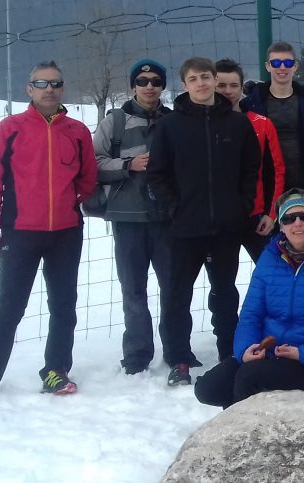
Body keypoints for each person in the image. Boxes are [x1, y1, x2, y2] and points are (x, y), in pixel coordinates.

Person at [147, 57, 261, 387]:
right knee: (177, 295)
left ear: (214, 80)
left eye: (206, 77)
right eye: (194, 78)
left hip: (226, 227)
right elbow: (157, 174)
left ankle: (229, 352)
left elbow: (251, 169)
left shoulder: (237, 125)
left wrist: (241, 207)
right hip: (184, 229)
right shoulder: (171, 125)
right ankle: (179, 358)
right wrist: (174, 209)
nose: (201, 83)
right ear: (185, 85)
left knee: (224, 293)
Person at [194, 189, 304, 408]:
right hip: (270, 350)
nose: (298, 223)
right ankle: (248, 418)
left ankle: (242, 434)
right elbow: (251, 314)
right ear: (281, 225)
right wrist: (245, 349)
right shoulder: (270, 257)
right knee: (208, 388)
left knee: (248, 379)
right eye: (289, 218)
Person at [0, 61, 97, 395]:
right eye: (41, 83)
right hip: (20, 231)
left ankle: (55, 370)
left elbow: (87, 177)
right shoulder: (9, 129)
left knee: (64, 305)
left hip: (65, 232)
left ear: (63, 88)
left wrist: (71, 200)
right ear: (29, 89)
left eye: (55, 83)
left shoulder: (77, 131)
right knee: (9, 306)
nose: (49, 89)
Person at [94, 59, 174, 374]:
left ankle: (176, 349)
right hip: (126, 217)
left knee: (173, 288)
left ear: (163, 85)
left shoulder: (174, 120)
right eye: (143, 81)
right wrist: (128, 165)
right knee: (133, 289)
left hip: (166, 218)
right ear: (133, 86)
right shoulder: (113, 121)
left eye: (156, 80)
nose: (150, 86)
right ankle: (138, 354)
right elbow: (94, 163)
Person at [216, 58, 286, 262]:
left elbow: (276, 171)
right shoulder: (201, 125)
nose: (228, 91)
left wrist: (270, 213)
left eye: (233, 85)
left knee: (273, 274)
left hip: (256, 217)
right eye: (221, 85)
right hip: (218, 219)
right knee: (222, 285)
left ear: (241, 88)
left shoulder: (261, 124)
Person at [242, 41, 304, 198]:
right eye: (276, 63)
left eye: (287, 63)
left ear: (295, 66)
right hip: (266, 188)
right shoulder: (252, 104)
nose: (282, 67)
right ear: (268, 66)